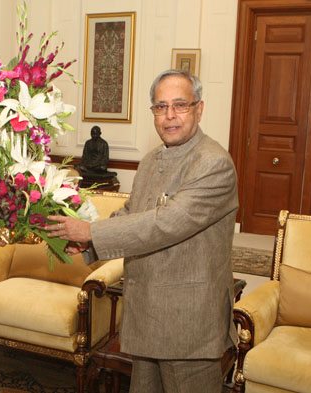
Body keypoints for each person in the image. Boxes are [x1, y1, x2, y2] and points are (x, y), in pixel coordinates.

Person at [47, 69, 238, 393]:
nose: (169, 116)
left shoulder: (213, 163)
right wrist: (88, 245)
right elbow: (132, 213)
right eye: (160, 107)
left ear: (199, 109)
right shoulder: (150, 160)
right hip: (146, 314)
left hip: (188, 323)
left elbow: (164, 224)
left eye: (180, 105)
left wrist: (92, 232)